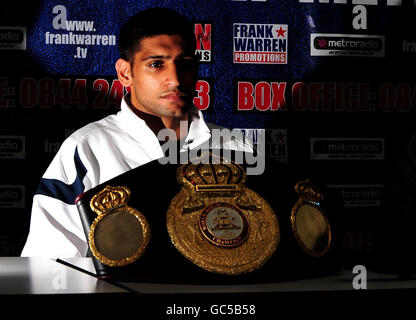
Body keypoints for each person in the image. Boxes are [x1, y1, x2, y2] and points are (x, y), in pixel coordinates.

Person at [21, 7, 252, 258]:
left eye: (184, 64)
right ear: (125, 73)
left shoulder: (235, 147)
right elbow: (49, 263)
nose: (174, 79)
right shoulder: (87, 149)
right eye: (156, 64)